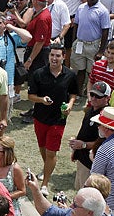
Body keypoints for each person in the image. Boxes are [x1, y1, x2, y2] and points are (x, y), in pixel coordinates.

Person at [28, 44, 78, 196]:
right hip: (40, 118)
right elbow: (30, 96)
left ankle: (44, 184)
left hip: (58, 120)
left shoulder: (70, 75)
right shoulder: (38, 74)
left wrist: (70, 105)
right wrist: (42, 100)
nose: (54, 58)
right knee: (43, 148)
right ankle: (46, 168)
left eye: (57, 56)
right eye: (52, 55)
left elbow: (73, 94)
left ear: (64, 57)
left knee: (51, 152)